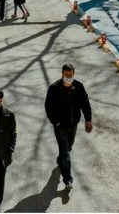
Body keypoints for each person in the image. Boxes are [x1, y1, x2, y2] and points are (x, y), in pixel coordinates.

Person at [44, 63, 93, 191]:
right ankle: (68, 180)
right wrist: (56, 122)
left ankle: (60, 159)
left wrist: (88, 119)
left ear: (73, 74)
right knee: (66, 153)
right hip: (60, 126)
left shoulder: (78, 86)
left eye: (70, 74)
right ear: (62, 74)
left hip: (73, 124)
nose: (68, 77)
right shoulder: (54, 88)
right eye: (66, 75)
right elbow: (48, 107)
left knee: (69, 147)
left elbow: (85, 103)